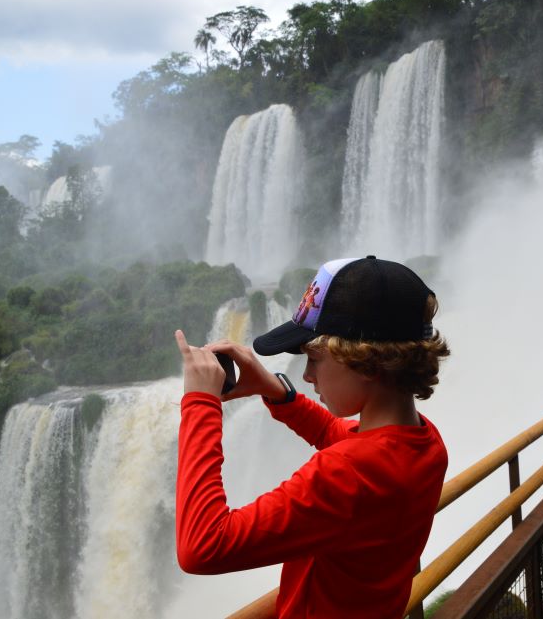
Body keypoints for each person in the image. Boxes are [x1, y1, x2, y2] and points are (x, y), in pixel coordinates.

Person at [174, 256, 450, 618]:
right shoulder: (424, 441)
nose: (306, 375)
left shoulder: (346, 474)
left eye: (314, 358)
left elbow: (202, 546)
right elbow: (336, 434)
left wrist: (200, 404)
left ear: (365, 360)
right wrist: (274, 389)